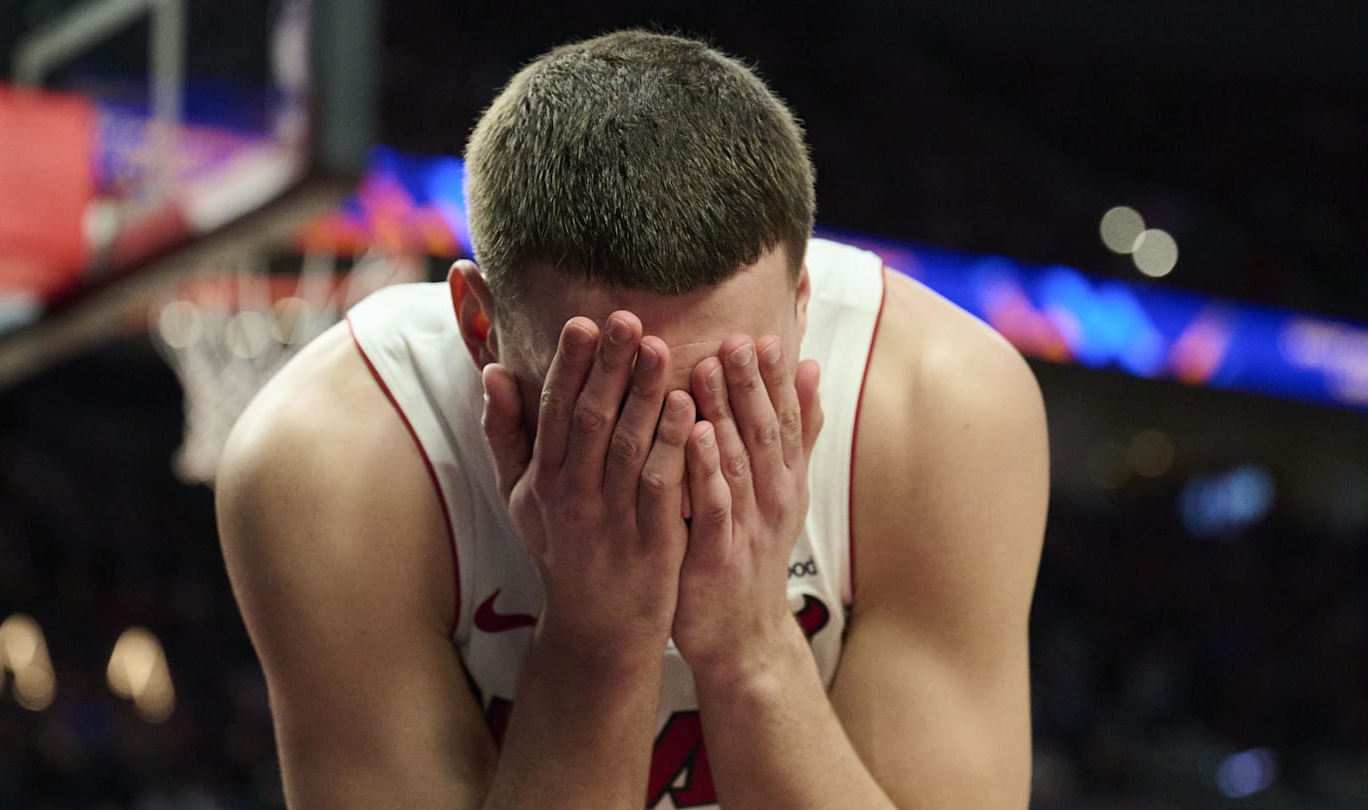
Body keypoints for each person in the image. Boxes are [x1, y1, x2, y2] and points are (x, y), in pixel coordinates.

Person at [216, 30, 1048, 810]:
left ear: (803, 303)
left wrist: (752, 643)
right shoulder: (328, 458)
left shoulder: (943, 404)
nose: (669, 459)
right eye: (610, 399)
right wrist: (597, 641)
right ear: (480, 325)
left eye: (725, 391)